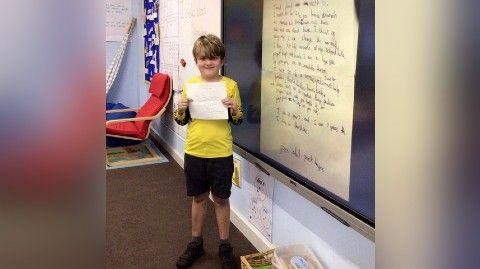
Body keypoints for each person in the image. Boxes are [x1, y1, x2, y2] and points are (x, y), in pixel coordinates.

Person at [174, 34, 243, 269]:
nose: (208, 62)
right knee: (198, 197)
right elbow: (180, 120)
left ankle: (225, 245)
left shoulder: (230, 86)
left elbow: (239, 119)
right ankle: (196, 243)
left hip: (221, 152)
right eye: (203, 58)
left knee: (221, 199)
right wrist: (180, 108)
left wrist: (234, 108)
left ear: (221, 60)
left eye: (213, 58)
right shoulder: (190, 85)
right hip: (194, 151)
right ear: (196, 60)